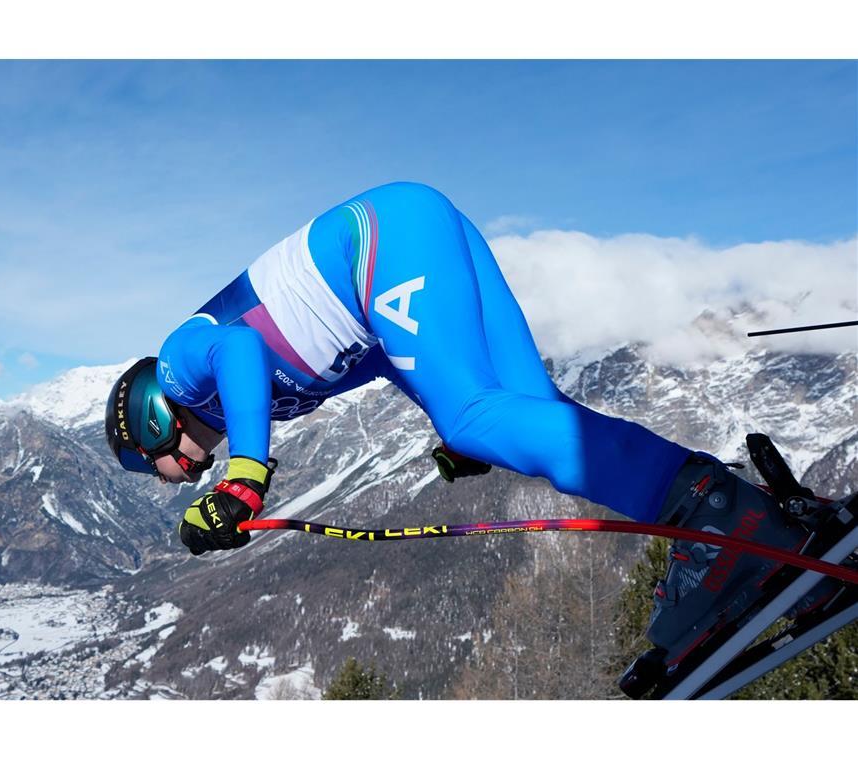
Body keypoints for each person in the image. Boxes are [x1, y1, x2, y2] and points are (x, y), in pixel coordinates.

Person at [105, 181, 811, 666]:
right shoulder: (248, 394)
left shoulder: (179, 367)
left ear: (150, 429)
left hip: (383, 238)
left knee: (480, 417)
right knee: (531, 419)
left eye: (167, 470)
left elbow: (239, 345)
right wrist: (441, 420)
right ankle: (723, 516)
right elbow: (381, 355)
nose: (183, 476)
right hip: (404, 229)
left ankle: (720, 519)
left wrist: (245, 477)